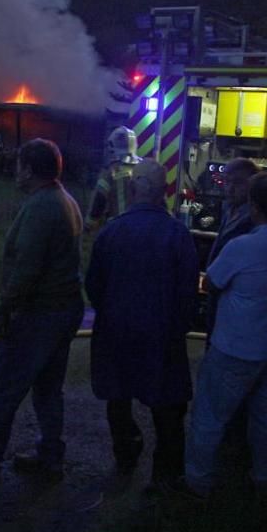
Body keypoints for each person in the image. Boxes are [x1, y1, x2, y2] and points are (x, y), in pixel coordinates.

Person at [0, 138, 85, 486]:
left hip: (39, 314)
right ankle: (49, 456)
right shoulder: (64, 200)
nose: (15, 171)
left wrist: (6, 310)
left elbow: (27, 268)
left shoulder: (42, 207)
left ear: (28, 168)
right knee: (47, 388)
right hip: (63, 310)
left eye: (18, 164)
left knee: (2, 389)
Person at [184, 172, 267, 499]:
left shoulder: (243, 247)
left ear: (254, 207)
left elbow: (212, 282)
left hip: (234, 350)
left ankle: (199, 482)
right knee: (266, 420)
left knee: (209, 417)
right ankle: (264, 480)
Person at [85, 159, 199, 490]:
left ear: (133, 190)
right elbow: (188, 291)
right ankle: (165, 474)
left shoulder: (111, 232)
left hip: (116, 332)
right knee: (166, 407)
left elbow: (94, 285)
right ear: (164, 192)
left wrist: (111, 314)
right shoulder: (178, 235)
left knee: (117, 398)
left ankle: (126, 454)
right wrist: (176, 328)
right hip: (161, 335)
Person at [86, 126, 142, 230]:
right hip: (142, 229)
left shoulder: (110, 171)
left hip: (118, 229)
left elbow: (98, 202)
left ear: (113, 146)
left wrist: (89, 224)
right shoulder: (144, 168)